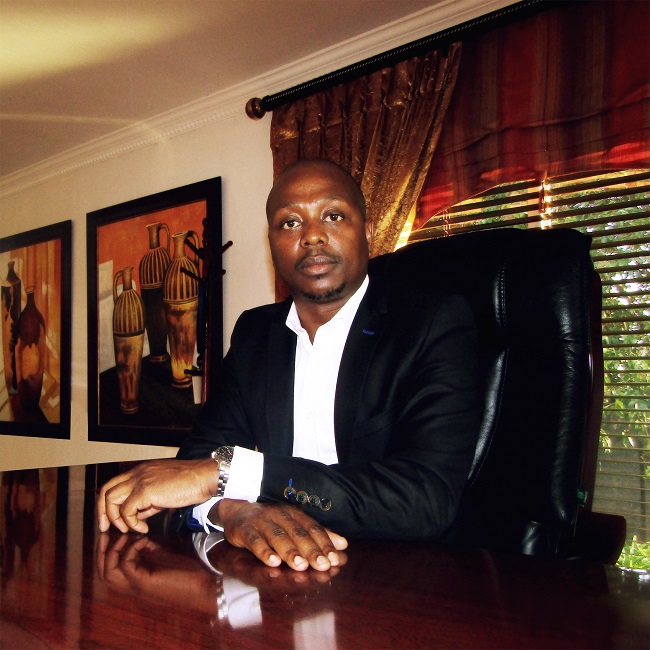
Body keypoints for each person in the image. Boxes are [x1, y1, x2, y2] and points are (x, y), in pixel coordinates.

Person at [97, 158, 482, 573]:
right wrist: (234, 511)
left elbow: (427, 499)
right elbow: (200, 455)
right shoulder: (256, 334)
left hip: (401, 577)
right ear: (272, 244)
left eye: (333, 216)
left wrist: (229, 474)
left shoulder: (432, 323)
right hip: (278, 575)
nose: (312, 235)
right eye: (290, 223)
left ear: (368, 232)